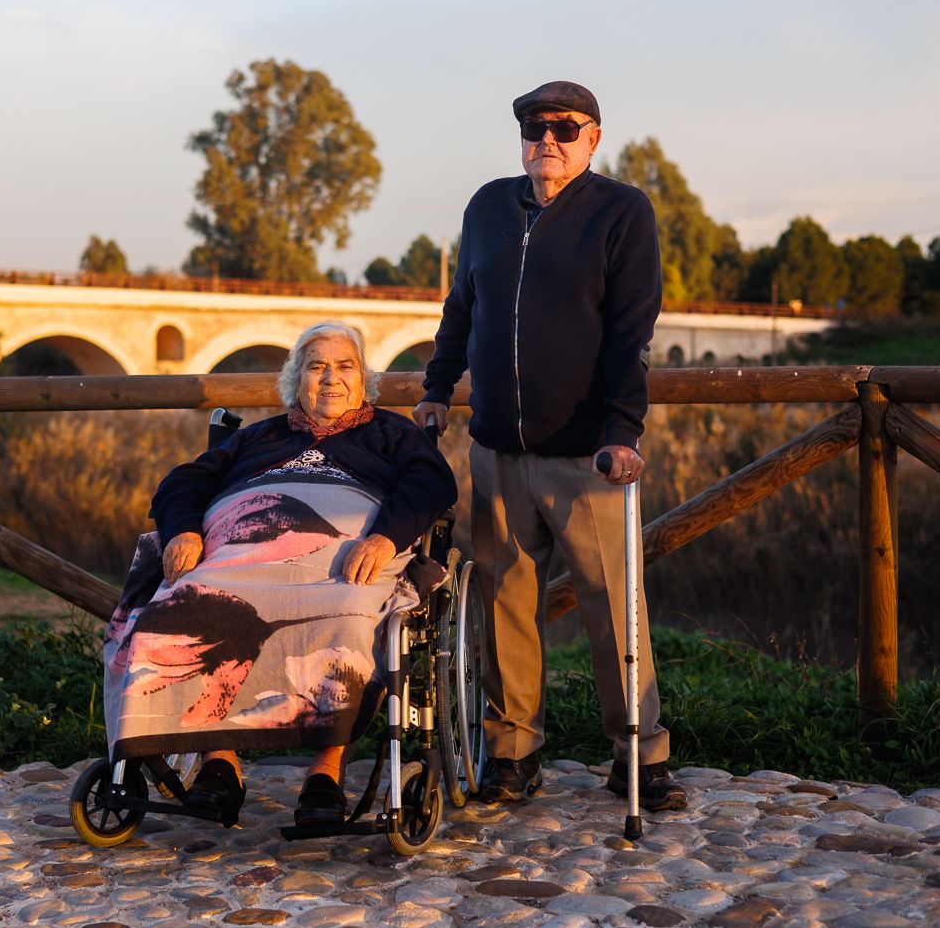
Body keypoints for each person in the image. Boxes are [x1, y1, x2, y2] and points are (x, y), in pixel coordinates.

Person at [413, 80, 685, 811]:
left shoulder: (622, 212)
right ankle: (513, 754)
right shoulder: (487, 207)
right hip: (498, 449)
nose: (548, 141)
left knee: (612, 608)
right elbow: (461, 309)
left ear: (594, 139)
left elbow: (633, 331)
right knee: (504, 603)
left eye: (566, 129)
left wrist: (623, 431)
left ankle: (639, 756)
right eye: (535, 128)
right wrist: (438, 389)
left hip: (585, 455)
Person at [104, 321, 458, 826]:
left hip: (343, 563)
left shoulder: (391, 434)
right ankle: (219, 764)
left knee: (350, 615)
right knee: (187, 605)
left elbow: (432, 482)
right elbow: (186, 479)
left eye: (344, 366)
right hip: (240, 558)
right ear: (296, 381)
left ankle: (325, 771)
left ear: (364, 381)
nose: (330, 378)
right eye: (316, 367)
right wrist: (182, 530)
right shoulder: (258, 438)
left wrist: (384, 538)